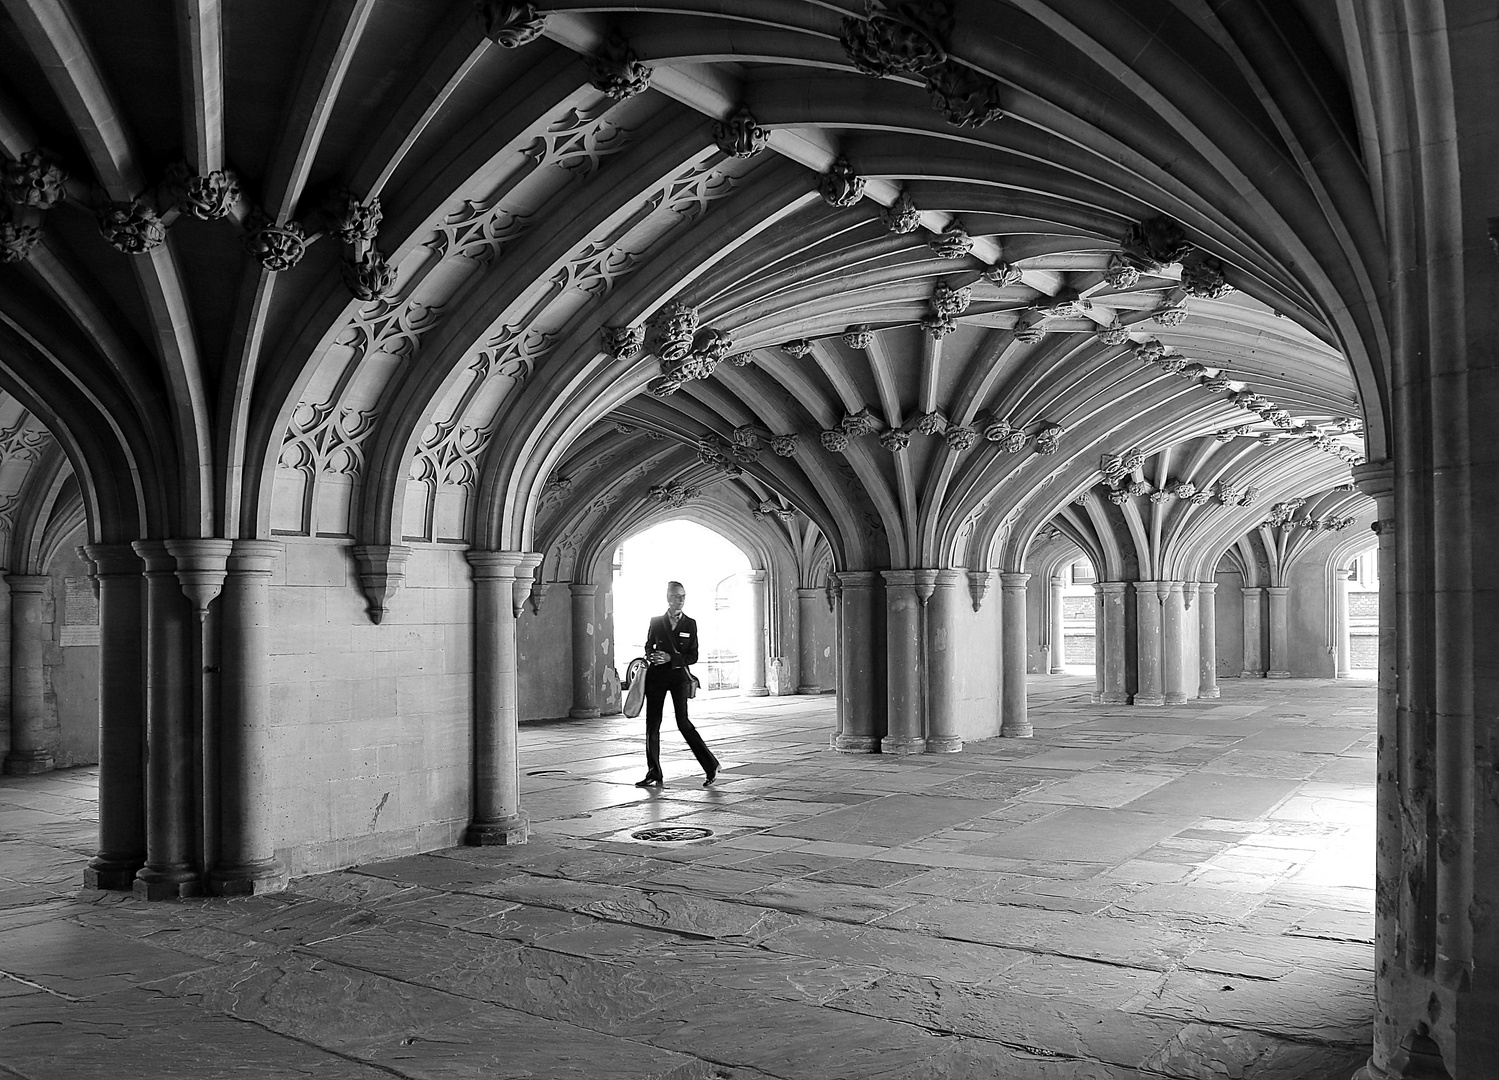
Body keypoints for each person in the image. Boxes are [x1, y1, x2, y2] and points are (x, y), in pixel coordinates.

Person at [635, 581, 719, 788]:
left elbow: (693, 656)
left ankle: (711, 765)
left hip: (678, 678)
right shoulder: (656, 622)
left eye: (683, 596)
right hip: (656, 679)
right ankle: (654, 772)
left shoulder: (690, 624)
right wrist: (652, 656)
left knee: (683, 723)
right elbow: (648, 646)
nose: (680, 600)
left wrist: (670, 658)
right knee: (652, 725)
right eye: (676, 596)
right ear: (668, 598)